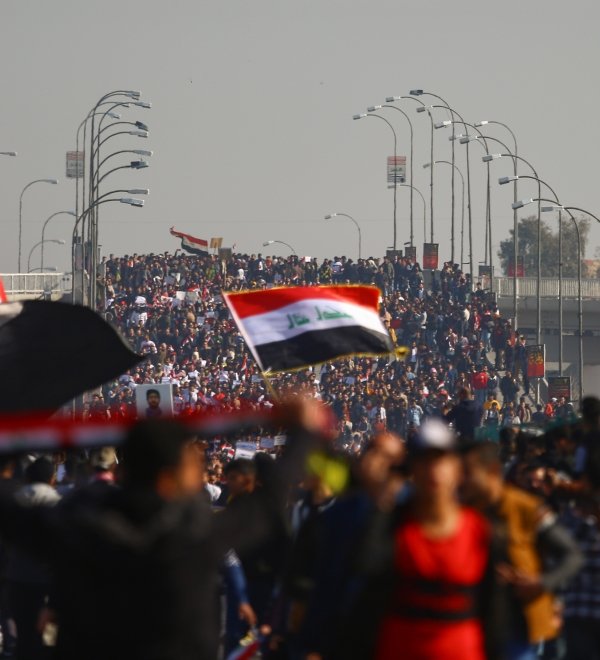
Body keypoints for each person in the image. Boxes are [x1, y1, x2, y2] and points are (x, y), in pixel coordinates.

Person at [0, 402, 324, 660]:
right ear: (169, 479)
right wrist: (304, 431)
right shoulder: (193, 543)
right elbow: (268, 501)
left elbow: (10, 509)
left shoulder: (77, 531)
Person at [461, 441, 584, 659]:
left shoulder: (525, 507)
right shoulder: (463, 512)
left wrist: (542, 582)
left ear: (493, 471)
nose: (464, 481)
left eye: (469, 473)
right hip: (474, 624)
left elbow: (572, 554)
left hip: (518, 626)